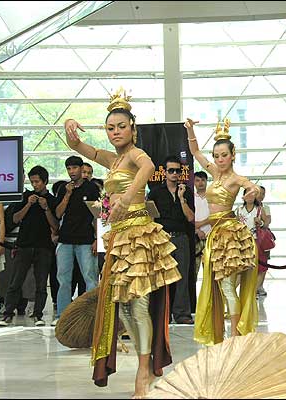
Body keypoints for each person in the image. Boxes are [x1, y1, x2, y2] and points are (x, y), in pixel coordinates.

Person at [64, 88, 182, 397]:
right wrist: (70, 131)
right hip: (119, 237)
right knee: (126, 308)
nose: (116, 132)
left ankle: (144, 371)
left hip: (139, 235)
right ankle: (144, 365)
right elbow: (80, 147)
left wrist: (128, 196)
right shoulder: (113, 160)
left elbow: (148, 166)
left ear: (133, 128)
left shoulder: (134, 155)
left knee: (139, 305)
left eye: (121, 126)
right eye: (110, 128)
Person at [185, 117, 260, 344]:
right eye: (216, 156)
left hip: (229, 235)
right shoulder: (213, 172)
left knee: (227, 287)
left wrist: (252, 193)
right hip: (214, 235)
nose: (219, 160)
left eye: (224, 155)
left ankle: (235, 336)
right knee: (219, 287)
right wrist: (190, 130)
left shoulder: (236, 178)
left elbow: (253, 187)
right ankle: (224, 333)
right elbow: (195, 151)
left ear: (232, 155)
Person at [0, 166, 59, 327]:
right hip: (24, 244)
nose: (35, 185)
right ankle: (7, 314)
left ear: (45, 181)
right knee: (15, 280)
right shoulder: (25, 197)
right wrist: (28, 204)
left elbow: (55, 226)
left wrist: (45, 208)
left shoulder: (52, 200)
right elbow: (15, 219)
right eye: (32, 182)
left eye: (37, 181)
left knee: (40, 283)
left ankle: (38, 314)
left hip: (44, 246)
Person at [148, 155, 195, 325]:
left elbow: (190, 218)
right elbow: (150, 218)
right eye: (171, 170)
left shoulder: (187, 191)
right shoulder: (155, 192)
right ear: (165, 172)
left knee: (182, 276)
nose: (174, 173)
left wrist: (182, 198)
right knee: (161, 277)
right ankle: (162, 313)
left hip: (181, 237)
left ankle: (182, 313)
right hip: (162, 238)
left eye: (177, 170)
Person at [53, 156, 100, 326]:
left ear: (81, 169)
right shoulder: (63, 189)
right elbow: (58, 214)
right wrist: (67, 193)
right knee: (63, 278)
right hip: (65, 239)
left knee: (90, 277)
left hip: (86, 239)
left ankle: (93, 315)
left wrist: (97, 239)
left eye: (74, 168)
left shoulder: (92, 189)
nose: (72, 171)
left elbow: (98, 216)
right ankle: (63, 316)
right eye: (69, 169)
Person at [193, 171, 211, 279]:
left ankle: (210, 296)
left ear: (206, 181)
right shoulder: (191, 198)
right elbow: (188, 218)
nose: (200, 183)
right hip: (195, 237)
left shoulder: (212, 197)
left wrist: (201, 224)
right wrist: (197, 230)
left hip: (210, 236)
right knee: (193, 270)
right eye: (197, 180)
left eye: (203, 180)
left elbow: (216, 217)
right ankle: (193, 296)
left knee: (209, 273)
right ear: (194, 182)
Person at [255, 185, 272, 297]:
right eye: (259, 193)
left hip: (263, 239)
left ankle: (259, 286)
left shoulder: (265, 208)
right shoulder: (245, 208)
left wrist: (261, 222)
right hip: (252, 240)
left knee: (263, 263)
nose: (261, 196)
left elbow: (267, 222)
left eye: (263, 193)